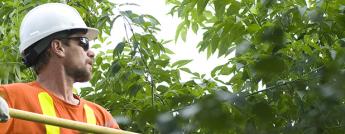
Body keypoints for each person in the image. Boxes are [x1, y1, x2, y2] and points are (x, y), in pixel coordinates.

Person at [0, 3, 120, 133]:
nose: (91, 53)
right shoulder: (11, 99)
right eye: (84, 43)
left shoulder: (101, 118)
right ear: (58, 47)